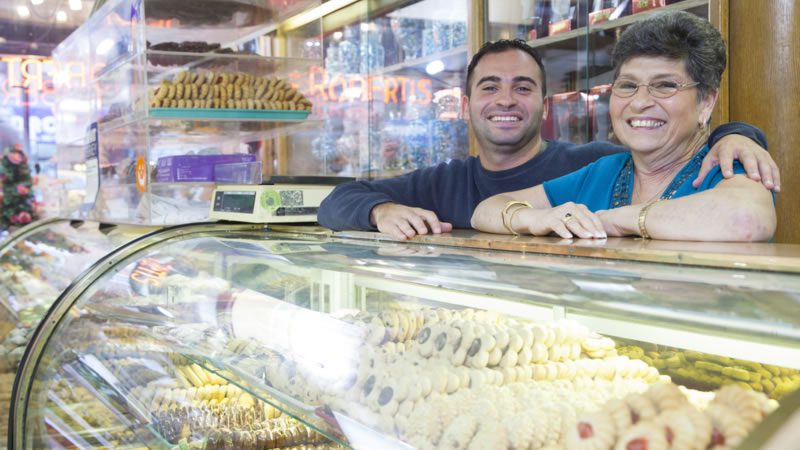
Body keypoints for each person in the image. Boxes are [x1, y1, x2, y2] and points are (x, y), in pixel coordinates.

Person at [318, 39, 779, 241]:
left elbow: (677, 154)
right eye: (489, 87)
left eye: (523, 87)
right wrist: (382, 211)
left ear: (545, 104)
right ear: (465, 106)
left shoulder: (591, 162)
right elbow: (337, 201)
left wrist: (736, 133)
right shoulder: (442, 181)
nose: (506, 100)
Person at [471, 11, 775, 242]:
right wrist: (532, 218)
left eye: (665, 85)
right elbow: (486, 210)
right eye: (627, 85)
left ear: (706, 102)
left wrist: (616, 220)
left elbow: (746, 220)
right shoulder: (605, 171)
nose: (640, 102)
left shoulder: (726, 163)